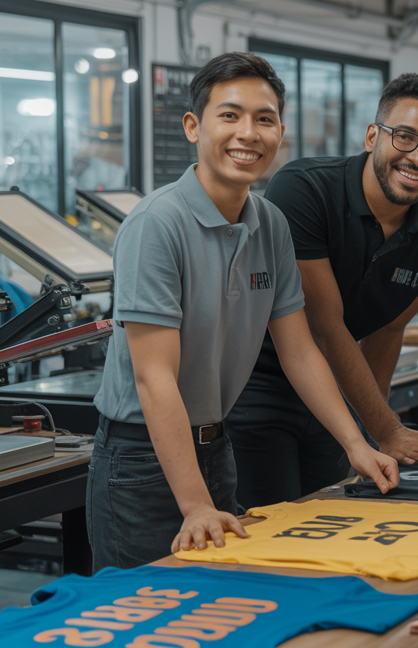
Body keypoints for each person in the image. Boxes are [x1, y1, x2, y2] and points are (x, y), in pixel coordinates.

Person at [87, 53, 398, 570]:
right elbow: (154, 377)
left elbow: (299, 350)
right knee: (138, 624)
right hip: (141, 463)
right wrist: (194, 505)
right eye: (229, 115)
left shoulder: (271, 223)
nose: (248, 133)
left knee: (214, 619)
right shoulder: (156, 224)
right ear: (193, 126)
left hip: (216, 450)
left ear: (281, 132)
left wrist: (356, 445)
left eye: (265, 119)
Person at [228, 73, 418, 507]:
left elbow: (388, 332)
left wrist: (367, 430)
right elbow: (323, 324)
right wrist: (386, 429)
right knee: (272, 533)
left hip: (334, 398)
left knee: (331, 519)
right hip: (258, 390)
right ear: (373, 135)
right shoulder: (305, 190)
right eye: (405, 136)